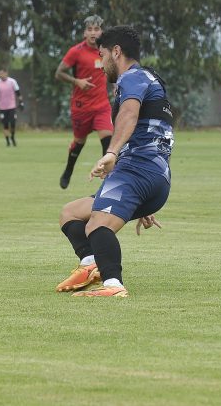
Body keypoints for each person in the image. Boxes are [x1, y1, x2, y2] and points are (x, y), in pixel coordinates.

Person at [55, 25, 174, 297]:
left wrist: (112, 152)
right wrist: (141, 202)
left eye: (103, 55)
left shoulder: (131, 78)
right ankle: (90, 265)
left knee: (97, 224)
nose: (100, 65)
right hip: (151, 177)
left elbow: (129, 115)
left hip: (137, 171)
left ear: (116, 52)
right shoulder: (149, 78)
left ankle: (113, 284)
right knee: (70, 213)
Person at [55, 15, 113, 189]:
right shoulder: (76, 52)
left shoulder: (107, 50)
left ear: (102, 31)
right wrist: (77, 81)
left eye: (96, 29)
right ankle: (69, 169)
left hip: (102, 106)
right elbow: (59, 73)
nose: (93, 33)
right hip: (81, 107)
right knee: (79, 142)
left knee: (108, 140)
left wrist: (117, 85)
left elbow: (114, 71)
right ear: (84, 33)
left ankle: (107, 180)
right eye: (89, 29)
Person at [0, 68, 24, 146]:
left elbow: (18, 93)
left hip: (12, 107)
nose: (0, 75)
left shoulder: (12, 82)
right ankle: (7, 141)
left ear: (6, 73)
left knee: (12, 123)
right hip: (2, 108)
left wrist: (21, 103)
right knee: (5, 125)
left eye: (2, 73)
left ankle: (13, 137)